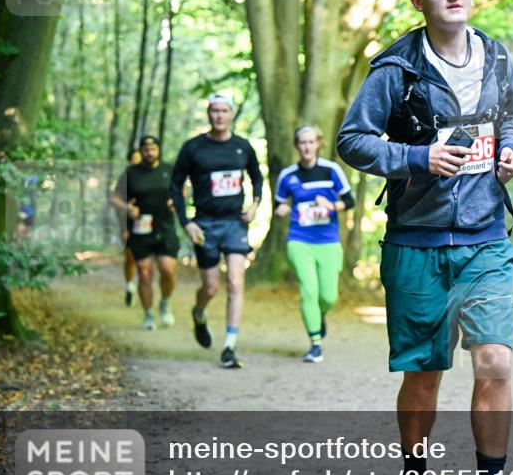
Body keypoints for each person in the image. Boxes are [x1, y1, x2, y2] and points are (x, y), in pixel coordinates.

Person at [337, 0, 513, 475]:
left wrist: (511, 152)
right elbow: (353, 140)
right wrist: (417, 157)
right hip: (416, 242)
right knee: (424, 377)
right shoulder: (396, 68)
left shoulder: (497, 56)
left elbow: (512, 119)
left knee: (495, 362)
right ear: (418, 0)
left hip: (486, 238)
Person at [170, 94, 264, 369]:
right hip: (205, 224)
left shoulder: (242, 146)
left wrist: (254, 205)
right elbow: (175, 185)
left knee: (235, 282)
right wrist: (186, 222)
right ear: (208, 114)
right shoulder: (193, 147)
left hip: (235, 223)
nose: (219, 116)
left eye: (224, 111)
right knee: (210, 286)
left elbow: (257, 177)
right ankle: (199, 312)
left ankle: (229, 346)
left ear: (231, 114)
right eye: (215, 111)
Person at [274, 125, 354, 363]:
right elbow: (279, 203)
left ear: (318, 144)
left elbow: (349, 201)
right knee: (309, 290)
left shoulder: (331, 170)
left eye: (311, 142)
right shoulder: (287, 175)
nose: (307, 147)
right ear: (296, 146)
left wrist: (332, 205)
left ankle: (320, 315)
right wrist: (281, 209)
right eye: (302, 143)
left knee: (328, 296)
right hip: (299, 240)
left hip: (328, 241)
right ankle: (315, 343)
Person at [110, 136, 179, 329]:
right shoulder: (131, 173)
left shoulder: (169, 170)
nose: (150, 152)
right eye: (146, 149)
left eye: (153, 149)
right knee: (145, 273)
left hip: (165, 227)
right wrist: (126, 208)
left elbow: (181, 189)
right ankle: (148, 315)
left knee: (167, 270)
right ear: (141, 151)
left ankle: (165, 302)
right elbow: (114, 197)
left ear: (159, 150)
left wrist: (176, 202)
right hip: (141, 229)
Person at [121, 148, 142, 306]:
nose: (136, 161)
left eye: (138, 158)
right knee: (130, 258)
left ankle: (144, 286)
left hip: (150, 224)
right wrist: (124, 228)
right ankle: (129, 286)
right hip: (130, 224)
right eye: (133, 158)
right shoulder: (126, 177)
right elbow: (118, 202)